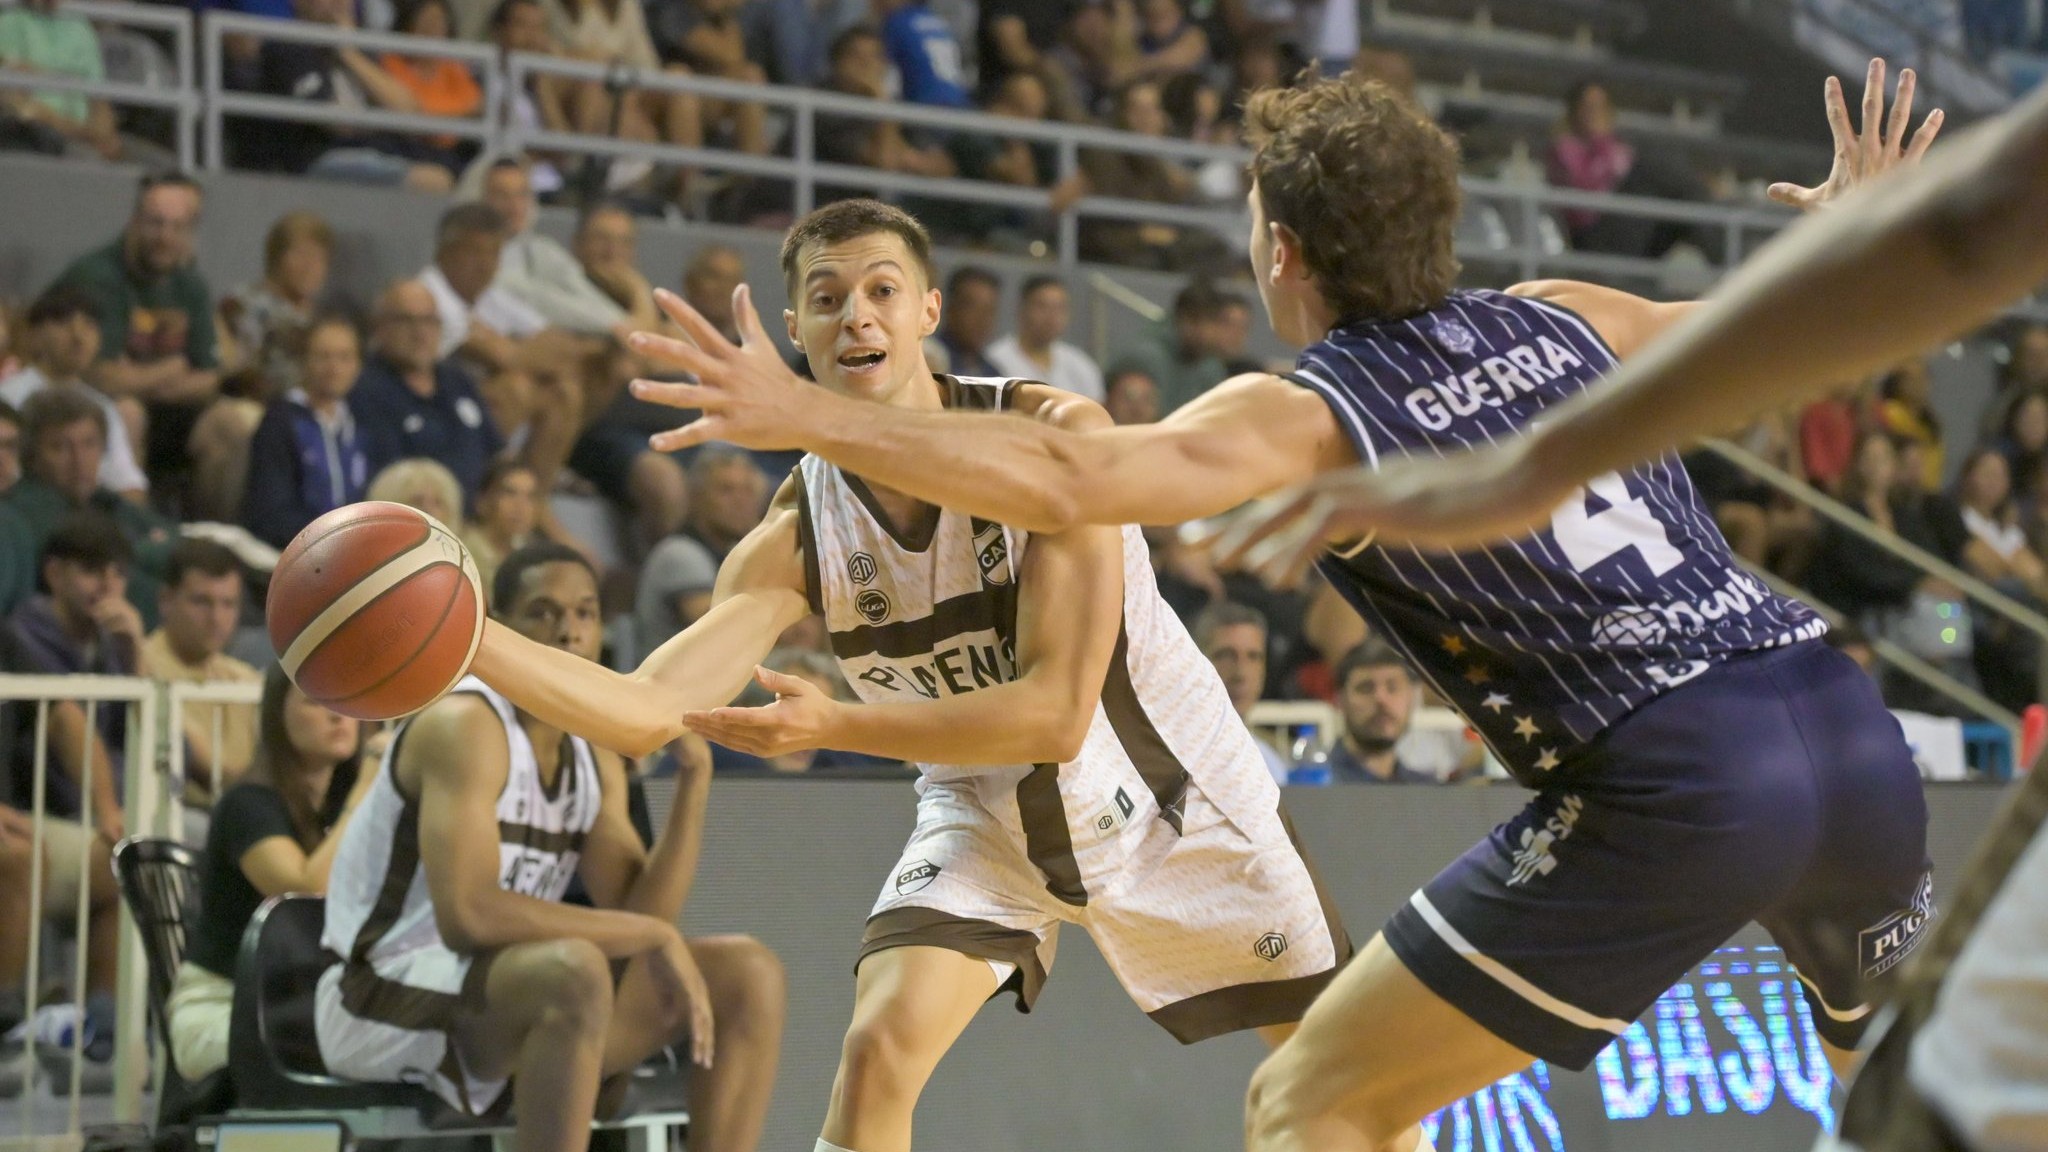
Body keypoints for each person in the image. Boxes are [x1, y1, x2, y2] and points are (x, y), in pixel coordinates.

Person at [624, 65, 1939, 1152]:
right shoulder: (1569, 314)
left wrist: (806, 412)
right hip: (1844, 722)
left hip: (1678, 778)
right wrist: (1861, 229)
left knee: (1309, 1105)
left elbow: (1078, 473)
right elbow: (1797, 327)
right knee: (1902, 1103)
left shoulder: (1309, 412)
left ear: (1279, 248)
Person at [474, 198, 1350, 1152]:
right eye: (827, 296)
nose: (857, 314)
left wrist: (835, 725)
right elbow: (645, 709)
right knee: (878, 1051)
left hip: (1172, 802)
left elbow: (1053, 717)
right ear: (796, 333)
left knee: (1341, 1086)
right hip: (990, 817)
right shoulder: (795, 528)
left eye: (882, 290)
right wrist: (462, 636)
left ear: (928, 313)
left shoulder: (1054, 431)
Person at [314, 543, 785, 1152]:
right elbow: (470, 918)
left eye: (586, 613)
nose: (569, 630)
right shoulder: (464, 726)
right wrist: (647, 937)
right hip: (377, 992)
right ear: (500, 633)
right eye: (543, 612)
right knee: (577, 969)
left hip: (510, 989)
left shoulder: (591, 751)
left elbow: (643, 921)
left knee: (747, 973)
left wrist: (694, 783)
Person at [166, 664, 372, 1082]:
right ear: (277, 715)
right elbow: (304, 891)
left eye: (346, 699)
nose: (339, 714)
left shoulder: (335, 810)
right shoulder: (248, 803)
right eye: (317, 700)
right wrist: (369, 788)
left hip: (308, 1003)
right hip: (222, 1007)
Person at [51, 172, 221, 486]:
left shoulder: (191, 284)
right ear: (134, 221)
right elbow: (101, 377)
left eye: (177, 226)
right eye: (155, 223)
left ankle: (215, 532)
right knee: (128, 411)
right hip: (89, 405)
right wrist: (174, 366)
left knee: (234, 421)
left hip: (170, 411)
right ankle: (128, 526)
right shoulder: (98, 277)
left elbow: (209, 378)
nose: (165, 237)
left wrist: (140, 378)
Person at [242, 0, 456, 192]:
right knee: (430, 181)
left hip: (378, 150)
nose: (339, 3)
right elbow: (337, 124)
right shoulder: (288, 47)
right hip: (320, 158)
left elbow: (410, 112)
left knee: (456, 171)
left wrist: (349, 53)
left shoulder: (360, 51)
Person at [5, 387, 176, 624]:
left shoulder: (102, 498)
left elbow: (174, 538)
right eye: (60, 447)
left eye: (89, 444)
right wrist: (145, 549)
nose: (79, 460)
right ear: (32, 456)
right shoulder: (27, 509)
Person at [349, 281, 507, 510]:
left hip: (476, 522)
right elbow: (387, 480)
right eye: (407, 320)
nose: (420, 332)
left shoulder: (458, 381)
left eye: (429, 321)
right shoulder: (365, 389)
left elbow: (496, 454)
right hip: (412, 522)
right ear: (380, 327)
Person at [139, 539, 262, 807]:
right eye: (201, 602)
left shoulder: (246, 677)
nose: (216, 617)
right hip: (178, 815)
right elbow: (215, 773)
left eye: (228, 604)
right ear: (166, 600)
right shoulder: (141, 669)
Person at [0, 287, 148, 502]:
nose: (78, 336)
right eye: (63, 323)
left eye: (89, 325)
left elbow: (127, 484)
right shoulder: (8, 399)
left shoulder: (101, 406)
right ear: (34, 335)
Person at [242, 315, 372, 550]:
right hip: (296, 553)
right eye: (323, 357)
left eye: (345, 357)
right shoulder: (280, 423)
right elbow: (271, 511)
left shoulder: (363, 423)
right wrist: (337, 538)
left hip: (356, 551)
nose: (334, 368)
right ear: (303, 361)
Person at [218, 211, 336, 401]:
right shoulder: (243, 304)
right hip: (260, 407)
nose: (310, 266)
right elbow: (240, 373)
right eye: (301, 254)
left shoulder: (325, 319)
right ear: (276, 257)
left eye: (319, 258)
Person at [1191, 601, 1291, 787]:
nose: (1241, 673)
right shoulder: (1172, 753)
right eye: (1226, 655)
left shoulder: (1270, 763)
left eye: (1253, 656)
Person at [1105, 276, 1231, 415]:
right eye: (1194, 321)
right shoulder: (1144, 358)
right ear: (1178, 319)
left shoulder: (1211, 367)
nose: (1203, 332)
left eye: (1211, 322)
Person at [1323, 641, 1435, 785]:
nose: (1381, 699)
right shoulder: (1312, 788)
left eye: (1393, 687)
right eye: (1365, 688)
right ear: (1339, 699)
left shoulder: (1426, 791)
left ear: (1412, 698)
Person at [986, 277, 1104, 402]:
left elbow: (1097, 410)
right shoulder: (995, 360)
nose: (1051, 317)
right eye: (1042, 306)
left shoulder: (1081, 365)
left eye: (1059, 308)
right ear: (1022, 309)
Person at [873, 0, 969, 108]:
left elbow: (887, 79)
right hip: (960, 103)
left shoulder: (896, 23)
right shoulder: (938, 22)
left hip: (927, 107)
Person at [932, 266, 999, 378]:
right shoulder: (929, 359)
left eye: (989, 310)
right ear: (950, 309)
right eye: (972, 307)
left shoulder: (992, 374)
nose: (982, 319)